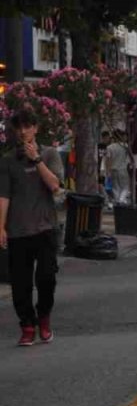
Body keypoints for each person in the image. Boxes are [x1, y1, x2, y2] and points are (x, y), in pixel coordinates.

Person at [0, 110, 63, 346]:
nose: (23, 131)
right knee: (20, 284)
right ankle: (27, 324)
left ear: (36, 128)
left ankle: (43, 318)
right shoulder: (8, 160)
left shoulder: (50, 154)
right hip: (18, 230)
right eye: (19, 128)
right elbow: (3, 195)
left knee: (47, 278)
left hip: (45, 228)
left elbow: (56, 186)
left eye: (27, 126)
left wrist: (36, 160)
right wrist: (1, 227)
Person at [105, 131, 133, 207]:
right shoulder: (125, 146)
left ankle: (118, 201)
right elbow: (129, 159)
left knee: (115, 187)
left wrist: (107, 171)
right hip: (123, 169)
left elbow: (108, 160)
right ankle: (121, 200)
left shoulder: (109, 147)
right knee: (125, 186)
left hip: (113, 169)